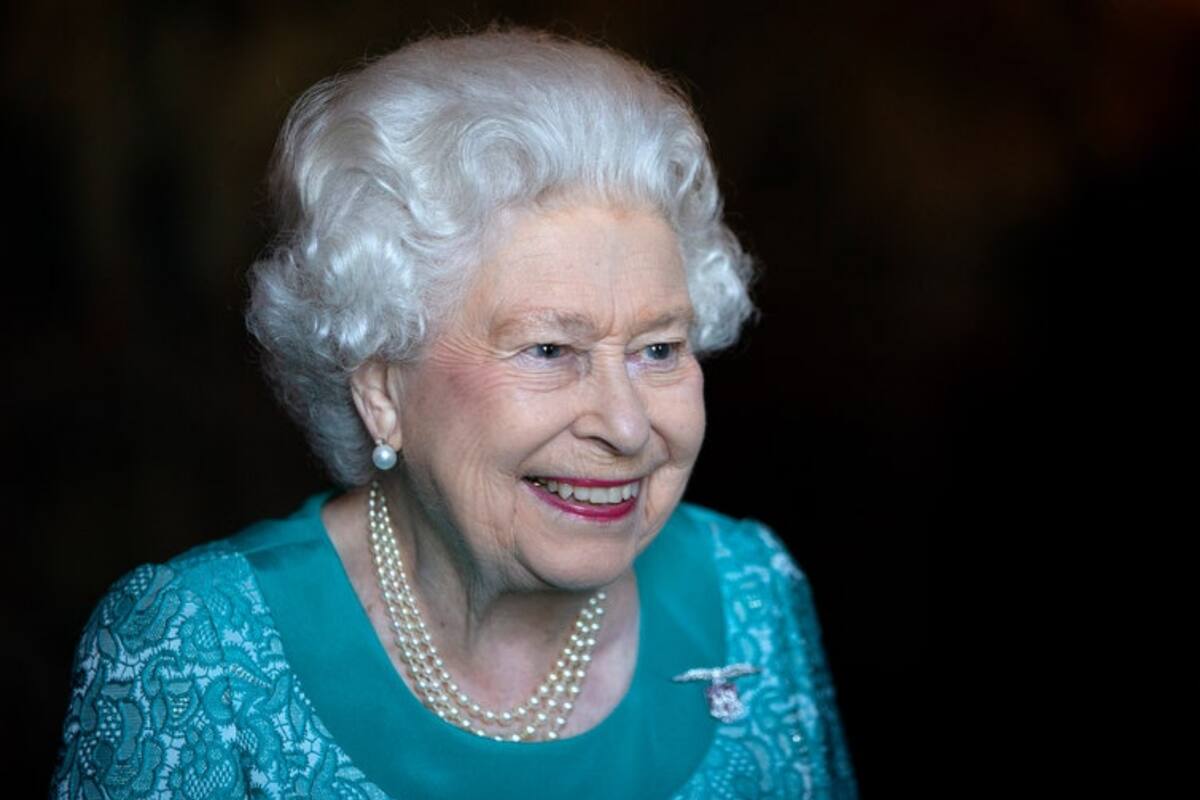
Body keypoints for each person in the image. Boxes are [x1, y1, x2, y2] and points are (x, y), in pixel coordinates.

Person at [51, 28, 857, 799]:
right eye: (549, 351)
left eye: (658, 350)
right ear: (383, 391)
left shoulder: (750, 590)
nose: (627, 426)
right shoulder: (194, 652)